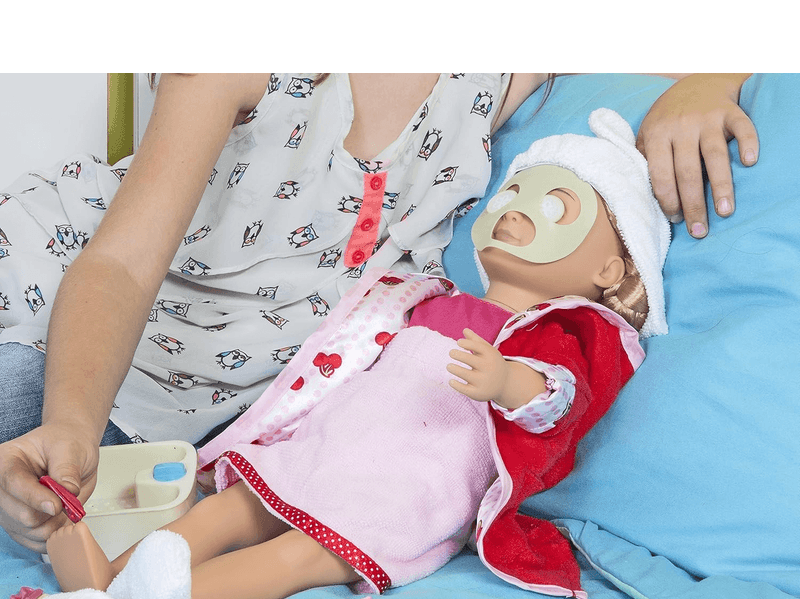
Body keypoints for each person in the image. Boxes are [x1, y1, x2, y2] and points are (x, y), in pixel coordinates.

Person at [0, 73, 756, 555]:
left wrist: (710, 78)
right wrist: (70, 420)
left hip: (197, 420)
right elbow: (120, 264)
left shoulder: (493, 70)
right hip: (62, 322)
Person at [26, 109, 667, 599]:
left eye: (554, 207)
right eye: (514, 193)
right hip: (333, 443)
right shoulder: (427, 293)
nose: (516, 212)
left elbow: (561, 403)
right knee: (232, 508)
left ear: (611, 271)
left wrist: (507, 382)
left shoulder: (560, 336)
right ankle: (105, 582)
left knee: (303, 555)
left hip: (406, 486)